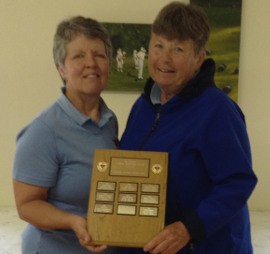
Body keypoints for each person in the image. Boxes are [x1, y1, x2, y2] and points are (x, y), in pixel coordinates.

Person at [120, 2, 257, 254]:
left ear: (199, 59)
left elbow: (237, 182)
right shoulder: (143, 106)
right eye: (159, 45)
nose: (164, 58)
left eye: (178, 49)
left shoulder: (218, 111)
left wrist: (188, 228)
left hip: (206, 247)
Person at [12, 16, 121, 254]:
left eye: (99, 55)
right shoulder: (43, 131)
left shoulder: (110, 120)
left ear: (108, 65)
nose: (91, 63)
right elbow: (27, 206)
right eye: (78, 56)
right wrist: (73, 221)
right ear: (61, 69)